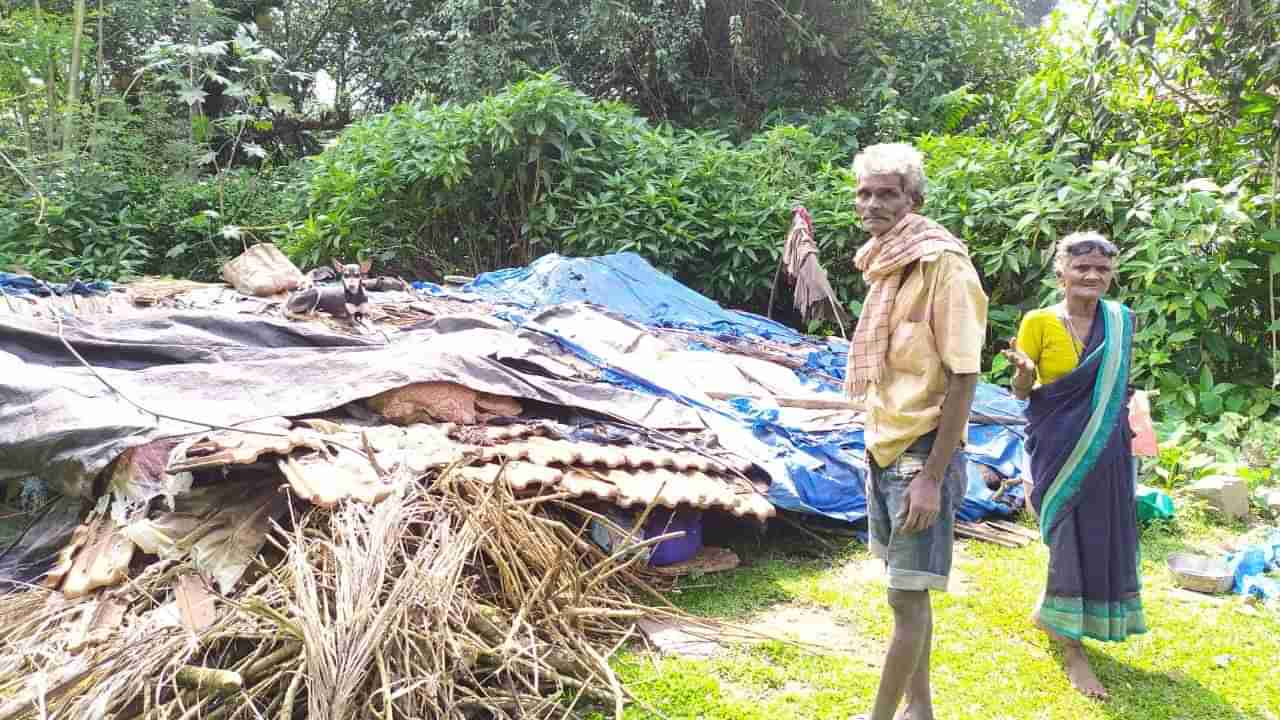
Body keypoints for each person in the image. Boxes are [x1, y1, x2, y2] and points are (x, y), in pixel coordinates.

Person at [846, 143, 988, 720]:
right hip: (883, 444)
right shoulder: (884, 262)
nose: (874, 203)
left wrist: (932, 477)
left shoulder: (944, 266)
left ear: (914, 199)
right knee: (908, 589)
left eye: (888, 193)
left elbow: (964, 378)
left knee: (905, 596)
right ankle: (920, 708)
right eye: (866, 193)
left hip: (922, 453)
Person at [1002, 231, 1146, 700]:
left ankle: (1064, 623)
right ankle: (1071, 649)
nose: (1091, 276)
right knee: (1064, 535)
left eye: (1102, 269)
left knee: (1099, 533)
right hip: (1057, 447)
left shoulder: (1122, 321)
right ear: (1060, 272)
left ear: (1111, 275)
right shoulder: (1039, 321)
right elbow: (1024, 395)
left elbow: (1115, 388)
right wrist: (1024, 374)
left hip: (1106, 448)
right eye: (1081, 267)